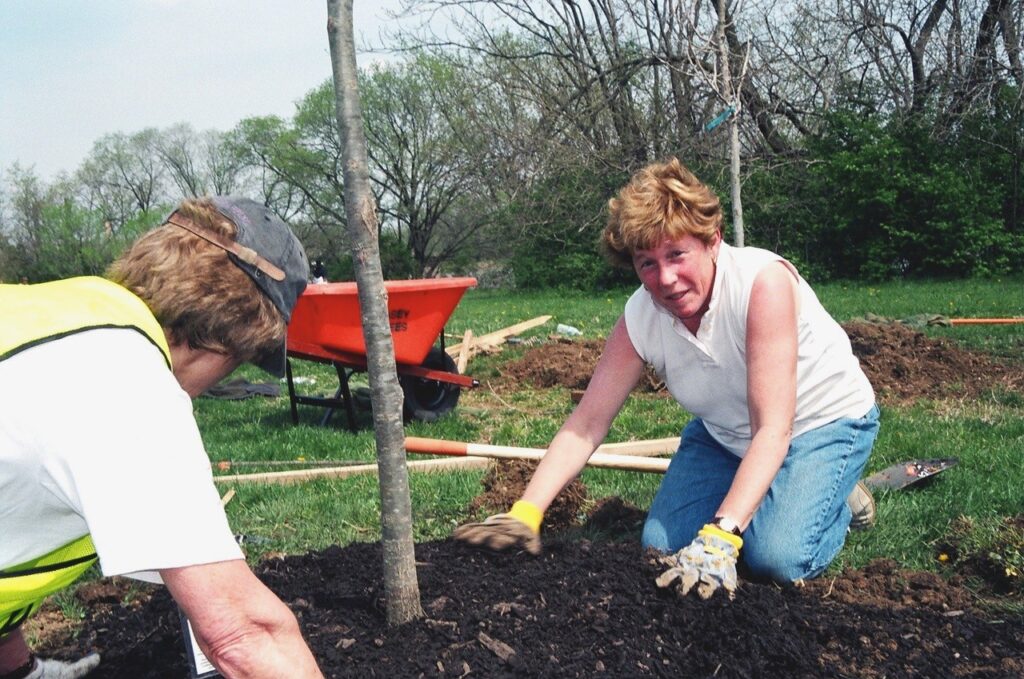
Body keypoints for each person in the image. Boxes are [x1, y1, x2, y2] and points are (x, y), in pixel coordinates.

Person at [453, 158, 880, 600]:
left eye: (677, 254)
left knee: (773, 557)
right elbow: (587, 423)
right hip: (727, 436)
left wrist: (723, 534)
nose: (666, 279)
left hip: (819, 425)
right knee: (662, 546)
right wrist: (526, 512)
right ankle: (779, 493)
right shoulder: (641, 316)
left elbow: (774, 428)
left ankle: (836, 499)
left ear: (712, 241)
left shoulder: (761, 285)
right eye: (647, 264)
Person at [0, 197, 324, 678]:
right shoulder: (125, 386)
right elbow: (244, 637)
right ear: (230, 338)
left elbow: (15, 519)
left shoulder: (60, 310)